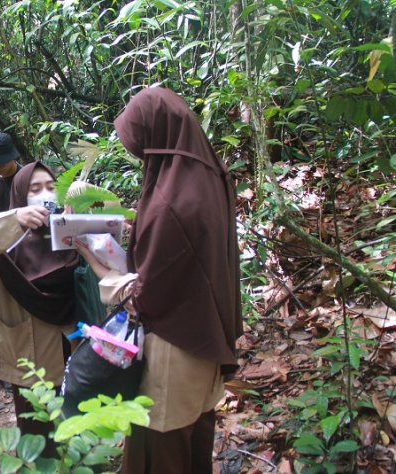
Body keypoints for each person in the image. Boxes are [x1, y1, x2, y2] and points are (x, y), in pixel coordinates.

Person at [75, 87, 242, 473]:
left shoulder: (170, 201)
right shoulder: (208, 174)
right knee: (196, 432)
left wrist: (92, 258)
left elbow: (142, 297)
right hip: (207, 333)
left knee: (161, 445)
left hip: (174, 346)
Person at [0, 162, 78, 453]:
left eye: (51, 188)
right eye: (34, 189)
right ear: (19, 196)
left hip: (73, 350)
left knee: (74, 428)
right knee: (37, 437)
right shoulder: (5, 243)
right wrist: (15, 219)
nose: (45, 194)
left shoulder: (68, 231)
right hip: (28, 354)